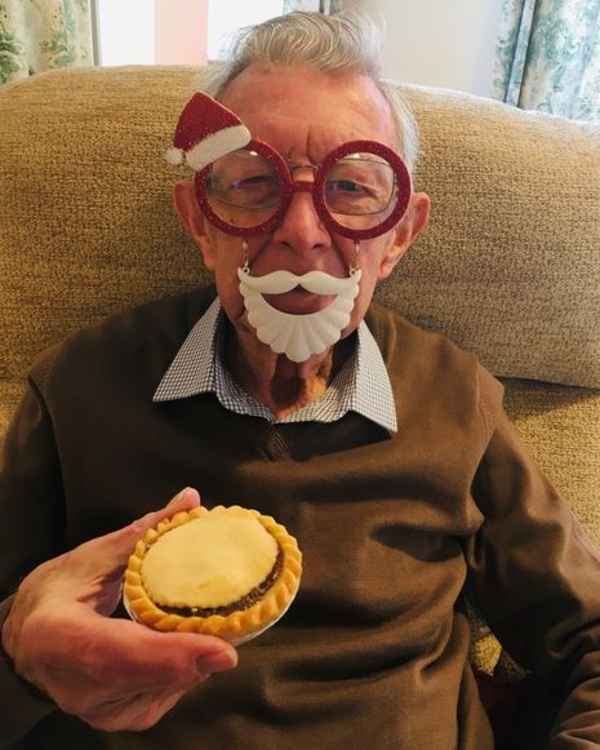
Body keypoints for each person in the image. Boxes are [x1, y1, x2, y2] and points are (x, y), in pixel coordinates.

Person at [1, 10, 600, 750]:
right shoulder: (80, 389)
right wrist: (20, 660)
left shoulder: (456, 397)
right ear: (198, 219)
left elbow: (590, 637)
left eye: (352, 189)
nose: (304, 232)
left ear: (399, 236)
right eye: (254, 184)